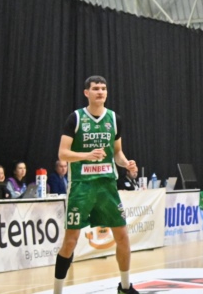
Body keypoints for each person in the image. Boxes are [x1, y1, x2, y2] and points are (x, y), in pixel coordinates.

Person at [51, 76, 139, 294]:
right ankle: (57, 291)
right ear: (86, 93)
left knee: (122, 236)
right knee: (70, 241)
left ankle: (125, 287)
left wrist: (126, 163)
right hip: (82, 186)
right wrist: (86, 155)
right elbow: (63, 154)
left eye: (103, 88)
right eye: (96, 88)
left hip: (107, 186)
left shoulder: (114, 119)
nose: (100, 92)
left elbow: (117, 153)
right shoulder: (76, 118)